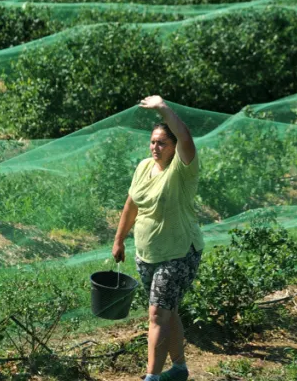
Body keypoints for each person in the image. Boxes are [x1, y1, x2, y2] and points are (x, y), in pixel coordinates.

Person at [113, 95, 205, 381]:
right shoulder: (143, 167)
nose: (155, 147)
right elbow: (131, 205)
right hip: (147, 253)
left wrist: (164, 109)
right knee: (168, 311)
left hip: (178, 252)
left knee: (157, 315)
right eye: (153, 141)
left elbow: (186, 137)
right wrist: (119, 240)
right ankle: (178, 369)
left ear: (174, 146)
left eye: (162, 142)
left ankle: (151, 377)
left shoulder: (182, 169)